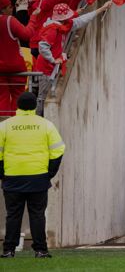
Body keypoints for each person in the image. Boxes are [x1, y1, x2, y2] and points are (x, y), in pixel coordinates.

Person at [0, 92, 65, 258]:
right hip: (38, 177)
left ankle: (8, 250)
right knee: (37, 214)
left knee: (13, 215)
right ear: (35, 106)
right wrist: (49, 173)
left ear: (17, 106)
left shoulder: (6, 125)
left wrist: (3, 174)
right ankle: (40, 250)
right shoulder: (46, 125)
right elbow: (58, 150)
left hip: (12, 177)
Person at [34, 0, 112, 116]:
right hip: (46, 68)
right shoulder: (53, 29)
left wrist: (100, 9)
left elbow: (80, 21)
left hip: (51, 66)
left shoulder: (60, 26)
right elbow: (43, 46)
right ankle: (39, 119)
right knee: (42, 96)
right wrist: (53, 60)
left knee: (44, 95)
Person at [0, 0, 39, 116]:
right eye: (9, 7)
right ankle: (16, 124)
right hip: (15, 66)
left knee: (2, 98)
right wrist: (33, 18)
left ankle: (3, 124)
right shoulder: (9, 21)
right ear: (3, 8)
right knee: (18, 97)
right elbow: (27, 34)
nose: (12, 9)